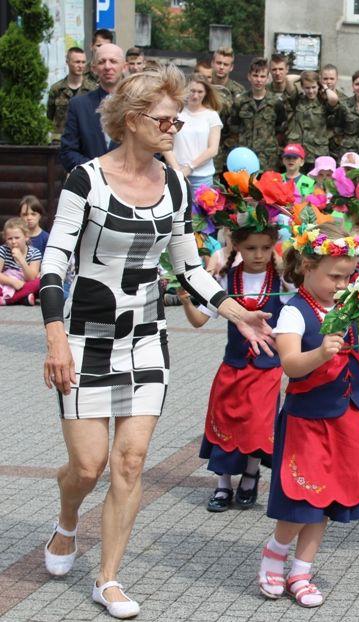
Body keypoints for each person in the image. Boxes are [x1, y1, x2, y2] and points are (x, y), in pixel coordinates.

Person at [39, 65, 273, 619]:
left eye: (177, 119)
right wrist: (54, 338)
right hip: (85, 337)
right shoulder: (86, 180)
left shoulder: (173, 183)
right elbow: (53, 265)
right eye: (166, 119)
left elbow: (187, 266)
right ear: (131, 120)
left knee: (130, 461)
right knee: (88, 466)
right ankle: (66, 521)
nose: (174, 128)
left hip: (145, 338)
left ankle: (109, 578)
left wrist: (237, 312)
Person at [257, 221, 359, 607]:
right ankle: (274, 554)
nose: (341, 284)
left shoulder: (349, 307)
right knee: (304, 497)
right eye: (334, 276)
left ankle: (301, 571)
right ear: (306, 266)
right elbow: (291, 365)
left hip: (345, 417)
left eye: (347, 277)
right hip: (308, 420)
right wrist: (320, 353)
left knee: (329, 498)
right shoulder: (294, 312)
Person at [181, 221, 284, 513]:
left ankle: (250, 475)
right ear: (236, 246)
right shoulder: (226, 280)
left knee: (257, 425)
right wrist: (187, 300)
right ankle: (223, 484)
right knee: (224, 422)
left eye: (266, 247)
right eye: (251, 248)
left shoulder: (282, 280)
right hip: (234, 365)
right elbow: (199, 321)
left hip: (267, 367)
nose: (259, 254)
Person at [59, 44, 125, 172]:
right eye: (101, 62)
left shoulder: (138, 104)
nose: (107, 66)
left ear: (124, 66)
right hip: (91, 183)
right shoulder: (78, 105)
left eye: (113, 61)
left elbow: (151, 149)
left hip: (129, 184)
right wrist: (97, 170)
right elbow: (68, 151)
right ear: (94, 68)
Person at [229, 58, 288, 172]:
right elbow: (234, 128)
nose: (259, 80)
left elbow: (280, 130)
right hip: (244, 156)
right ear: (249, 76)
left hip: (268, 159)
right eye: (255, 76)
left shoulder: (276, 102)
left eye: (262, 76)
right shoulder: (240, 101)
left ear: (267, 78)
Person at [164, 74, 222, 189]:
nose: (195, 96)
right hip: (175, 174)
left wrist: (189, 167)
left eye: (200, 92)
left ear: (206, 93)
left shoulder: (212, 116)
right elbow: (165, 145)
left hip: (202, 178)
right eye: (192, 91)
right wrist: (178, 172)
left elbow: (213, 149)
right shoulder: (176, 113)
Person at [47, 47, 96, 142]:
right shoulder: (56, 89)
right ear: (68, 62)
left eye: (83, 62)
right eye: (77, 62)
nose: (81, 66)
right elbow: (50, 116)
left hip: (84, 140)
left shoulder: (93, 89)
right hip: (60, 140)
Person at [211, 47, 246, 172]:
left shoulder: (239, 91)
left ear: (231, 67)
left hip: (229, 149)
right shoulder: (203, 88)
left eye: (225, 64)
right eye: (218, 63)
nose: (221, 67)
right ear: (212, 63)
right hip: (205, 146)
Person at [287, 70, 331, 164]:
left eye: (313, 87)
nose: (311, 91)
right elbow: (288, 79)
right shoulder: (297, 100)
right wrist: (303, 77)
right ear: (302, 87)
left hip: (317, 152)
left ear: (318, 86)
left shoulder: (324, 102)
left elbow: (334, 99)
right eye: (307, 87)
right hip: (298, 152)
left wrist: (325, 87)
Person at [0, 217, 41, 306]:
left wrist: (21, 260)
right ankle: (23, 298)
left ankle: (8, 300)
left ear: (26, 237)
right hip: (6, 284)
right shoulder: (3, 250)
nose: (13, 241)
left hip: (24, 284)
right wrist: (13, 282)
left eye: (17, 238)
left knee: (40, 281)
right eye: (10, 239)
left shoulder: (35, 252)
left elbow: (31, 278)